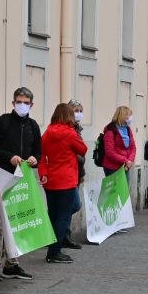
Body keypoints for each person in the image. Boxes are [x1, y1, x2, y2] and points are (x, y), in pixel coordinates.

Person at [0, 87, 40, 281]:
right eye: (19, 101)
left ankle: (12, 263)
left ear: (31, 105)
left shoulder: (33, 126)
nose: (22, 105)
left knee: (18, 222)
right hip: (1, 178)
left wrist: (34, 159)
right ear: (13, 103)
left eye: (26, 102)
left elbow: (38, 151)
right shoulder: (2, 122)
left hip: (22, 181)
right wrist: (10, 157)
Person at [39, 104, 88, 263]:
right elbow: (83, 149)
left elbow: (41, 156)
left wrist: (43, 173)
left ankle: (51, 247)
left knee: (53, 215)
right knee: (63, 217)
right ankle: (54, 252)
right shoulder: (70, 133)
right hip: (66, 180)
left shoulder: (47, 133)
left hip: (50, 180)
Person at [64, 99, 85, 250]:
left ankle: (64, 233)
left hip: (77, 172)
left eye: (80, 111)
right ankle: (60, 231)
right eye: (76, 111)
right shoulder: (68, 129)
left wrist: (82, 172)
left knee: (69, 206)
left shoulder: (78, 128)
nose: (78, 114)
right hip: (67, 172)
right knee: (74, 204)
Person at [102, 105, 136, 180]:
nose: (130, 118)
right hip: (112, 168)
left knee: (125, 191)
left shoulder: (127, 129)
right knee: (117, 191)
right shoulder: (111, 130)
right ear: (122, 116)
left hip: (125, 166)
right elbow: (110, 152)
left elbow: (133, 147)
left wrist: (129, 161)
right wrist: (125, 161)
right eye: (129, 115)